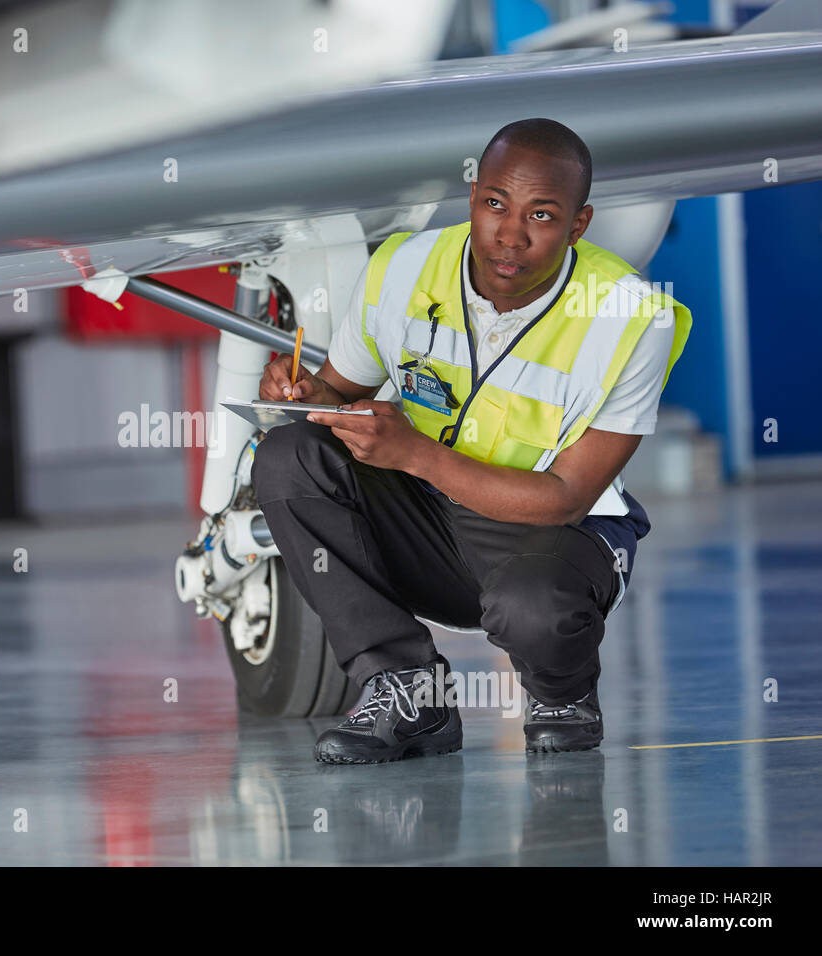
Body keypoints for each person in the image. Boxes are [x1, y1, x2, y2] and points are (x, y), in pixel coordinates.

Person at [252, 118, 691, 763]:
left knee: (533, 605)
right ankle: (408, 691)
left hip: (551, 540)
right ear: (473, 200)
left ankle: (562, 694)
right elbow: (337, 392)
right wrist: (305, 395)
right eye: (494, 205)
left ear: (578, 225)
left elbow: (567, 498)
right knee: (291, 458)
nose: (509, 236)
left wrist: (415, 453)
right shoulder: (403, 267)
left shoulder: (630, 317)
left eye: (541, 215)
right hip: (426, 522)